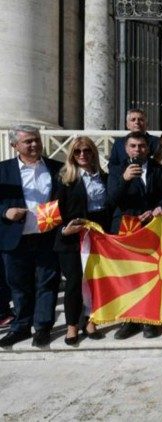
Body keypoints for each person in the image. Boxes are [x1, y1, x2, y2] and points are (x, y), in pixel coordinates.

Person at [0, 125, 63, 348]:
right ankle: (21, 327)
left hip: (47, 237)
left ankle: (43, 328)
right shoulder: (3, 170)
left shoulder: (57, 168)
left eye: (36, 140)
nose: (34, 144)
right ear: (14, 145)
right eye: (28, 141)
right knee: (19, 285)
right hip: (15, 238)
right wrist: (5, 212)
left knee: (47, 283)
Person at [107, 131, 162, 340]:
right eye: (133, 146)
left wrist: (157, 208)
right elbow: (112, 199)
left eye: (142, 146)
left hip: (151, 225)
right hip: (126, 226)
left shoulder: (159, 170)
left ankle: (148, 319)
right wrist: (125, 180)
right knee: (129, 274)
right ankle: (130, 320)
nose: (137, 150)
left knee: (150, 273)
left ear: (148, 148)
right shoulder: (116, 170)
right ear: (126, 149)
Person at [55, 136, 111, 345]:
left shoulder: (103, 178)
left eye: (87, 150)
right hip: (71, 238)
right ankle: (72, 325)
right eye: (77, 151)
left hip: (96, 236)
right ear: (71, 155)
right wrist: (64, 230)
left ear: (93, 153)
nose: (82, 155)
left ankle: (90, 320)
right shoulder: (64, 178)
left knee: (94, 280)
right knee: (74, 282)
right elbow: (54, 211)